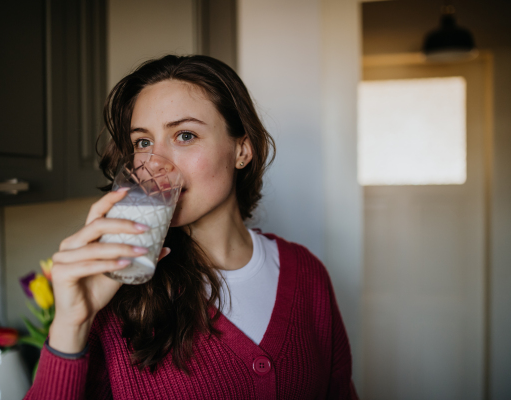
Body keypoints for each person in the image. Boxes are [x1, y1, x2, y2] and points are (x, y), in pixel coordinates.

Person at [24, 55, 358, 399]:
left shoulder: (307, 274)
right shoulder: (115, 288)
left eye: (184, 135)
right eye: (143, 142)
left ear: (241, 149)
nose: (156, 165)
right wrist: (72, 324)